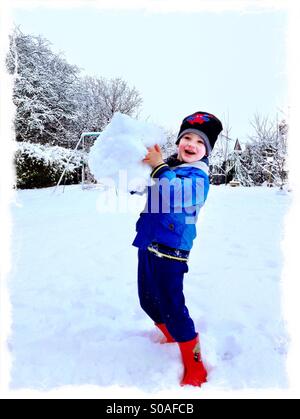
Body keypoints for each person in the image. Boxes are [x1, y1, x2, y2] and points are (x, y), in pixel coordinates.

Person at [132, 111, 223, 387]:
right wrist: (137, 171)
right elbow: (144, 188)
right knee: (147, 300)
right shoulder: (169, 169)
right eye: (187, 137)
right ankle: (170, 335)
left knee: (173, 307)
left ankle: (194, 363)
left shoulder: (198, 178)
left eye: (199, 141)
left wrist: (159, 168)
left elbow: (174, 194)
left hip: (171, 251)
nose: (191, 143)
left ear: (206, 151)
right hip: (148, 243)